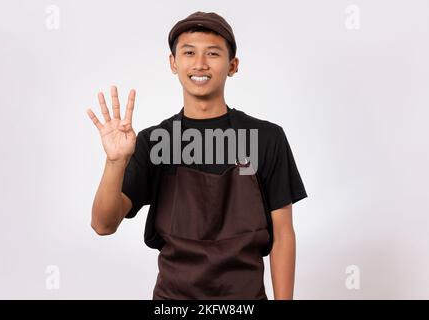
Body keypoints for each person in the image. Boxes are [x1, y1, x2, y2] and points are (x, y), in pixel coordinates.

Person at [86, 11, 308, 300]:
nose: (200, 64)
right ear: (173, 63)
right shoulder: (154, 142)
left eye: (213, 53)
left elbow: (283, 235)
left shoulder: (265, 138)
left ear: (233, 65)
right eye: (189, 52)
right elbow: (103, 225)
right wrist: (115, 162)